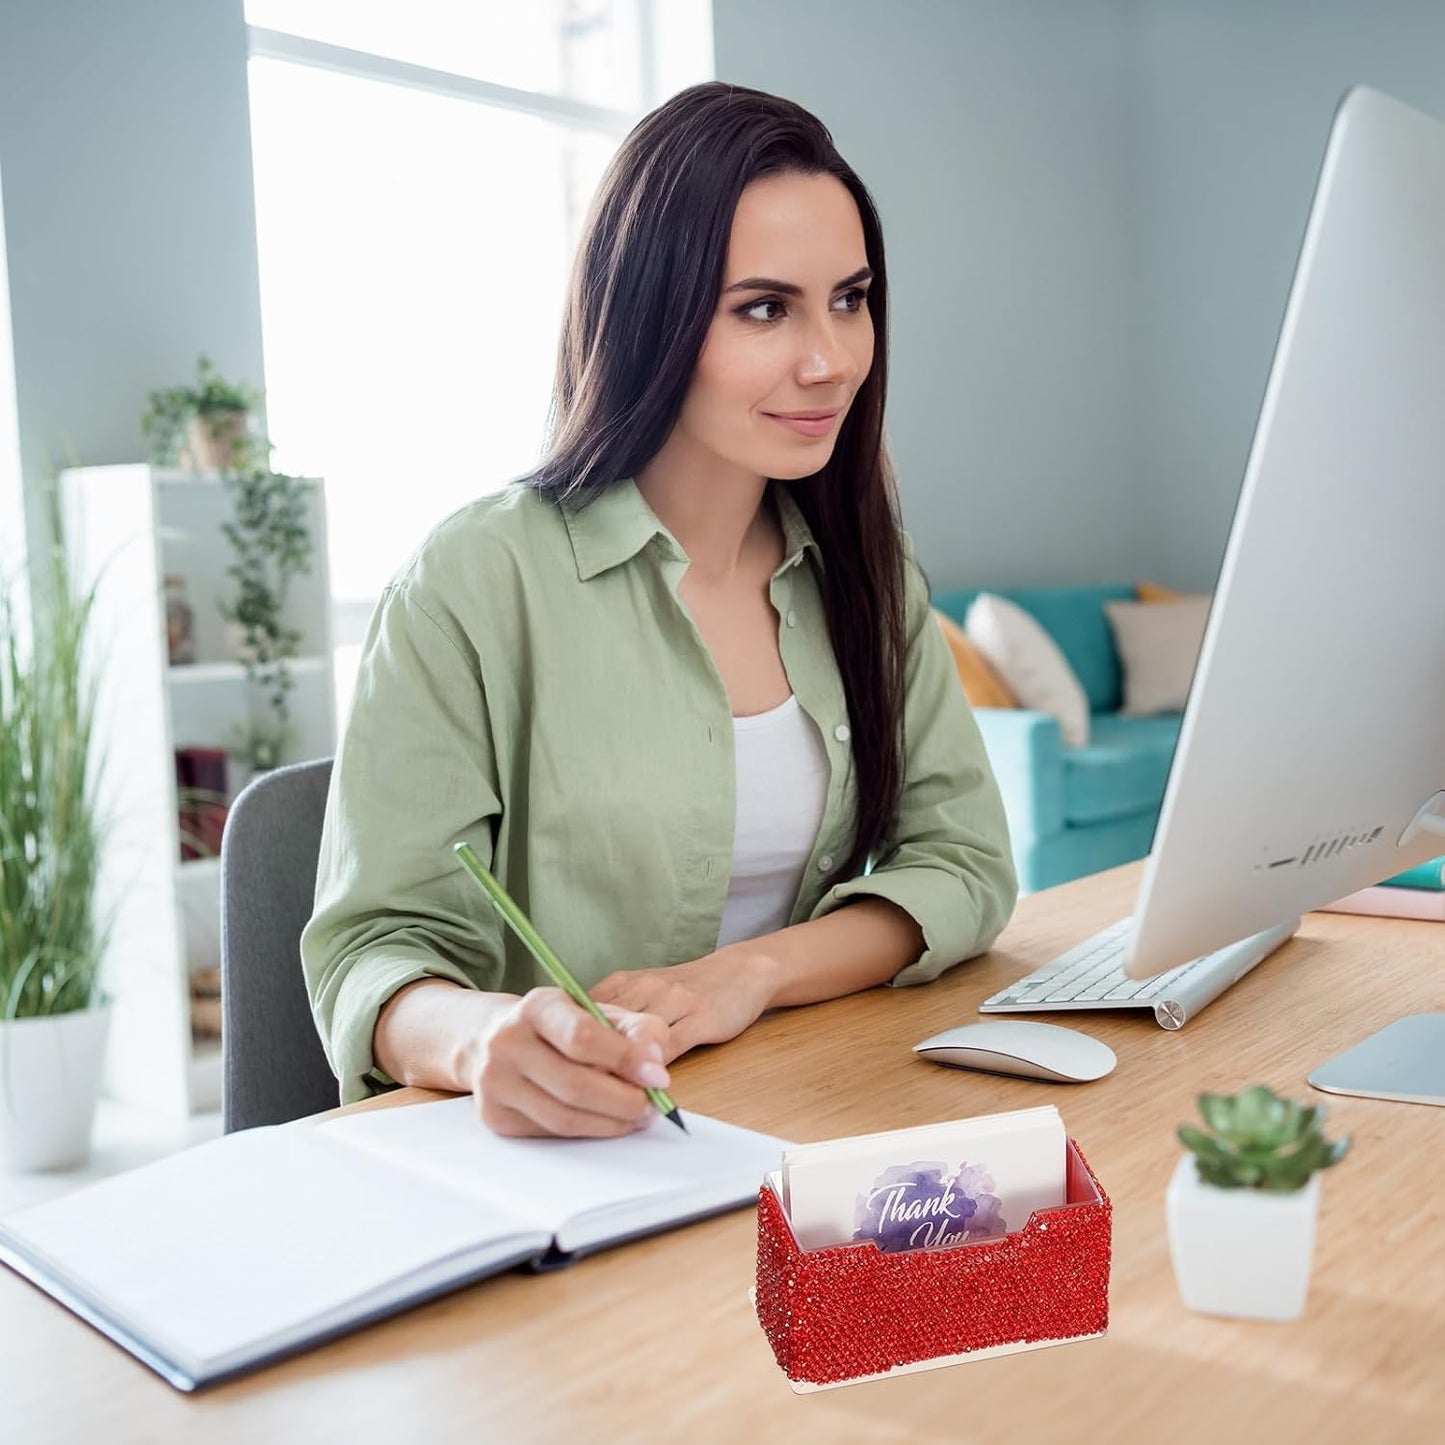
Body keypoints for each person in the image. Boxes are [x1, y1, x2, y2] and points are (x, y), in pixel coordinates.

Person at [301, 81, 1017, 1138]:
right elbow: (373, 953)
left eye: (849, 298)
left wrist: (750, 972)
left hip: (792, 1111)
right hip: (555, 1156)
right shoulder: (473, 579)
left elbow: (962, 863)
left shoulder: (866, 571)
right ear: (651, 316)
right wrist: (484, 1038)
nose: (829, 359)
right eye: (764, 308)